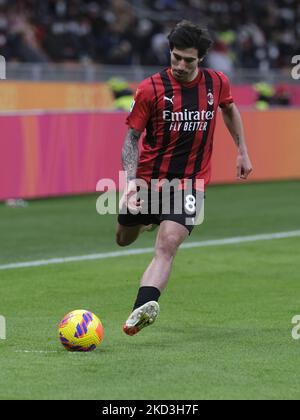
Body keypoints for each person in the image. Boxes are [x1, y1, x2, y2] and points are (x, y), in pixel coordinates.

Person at [116, 20, 253, 336]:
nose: (179, 65)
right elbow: (131, 138)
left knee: (168, 243)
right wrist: (130, 183)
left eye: (188, 60)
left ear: (201, 58)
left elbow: (229, 108)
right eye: (175, 56)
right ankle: (146, 220)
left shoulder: (217, 83)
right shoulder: (150, 88)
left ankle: (140, 309)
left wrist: (242, 150)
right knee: (123, 238)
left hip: (191, 182)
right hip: (149, 180)